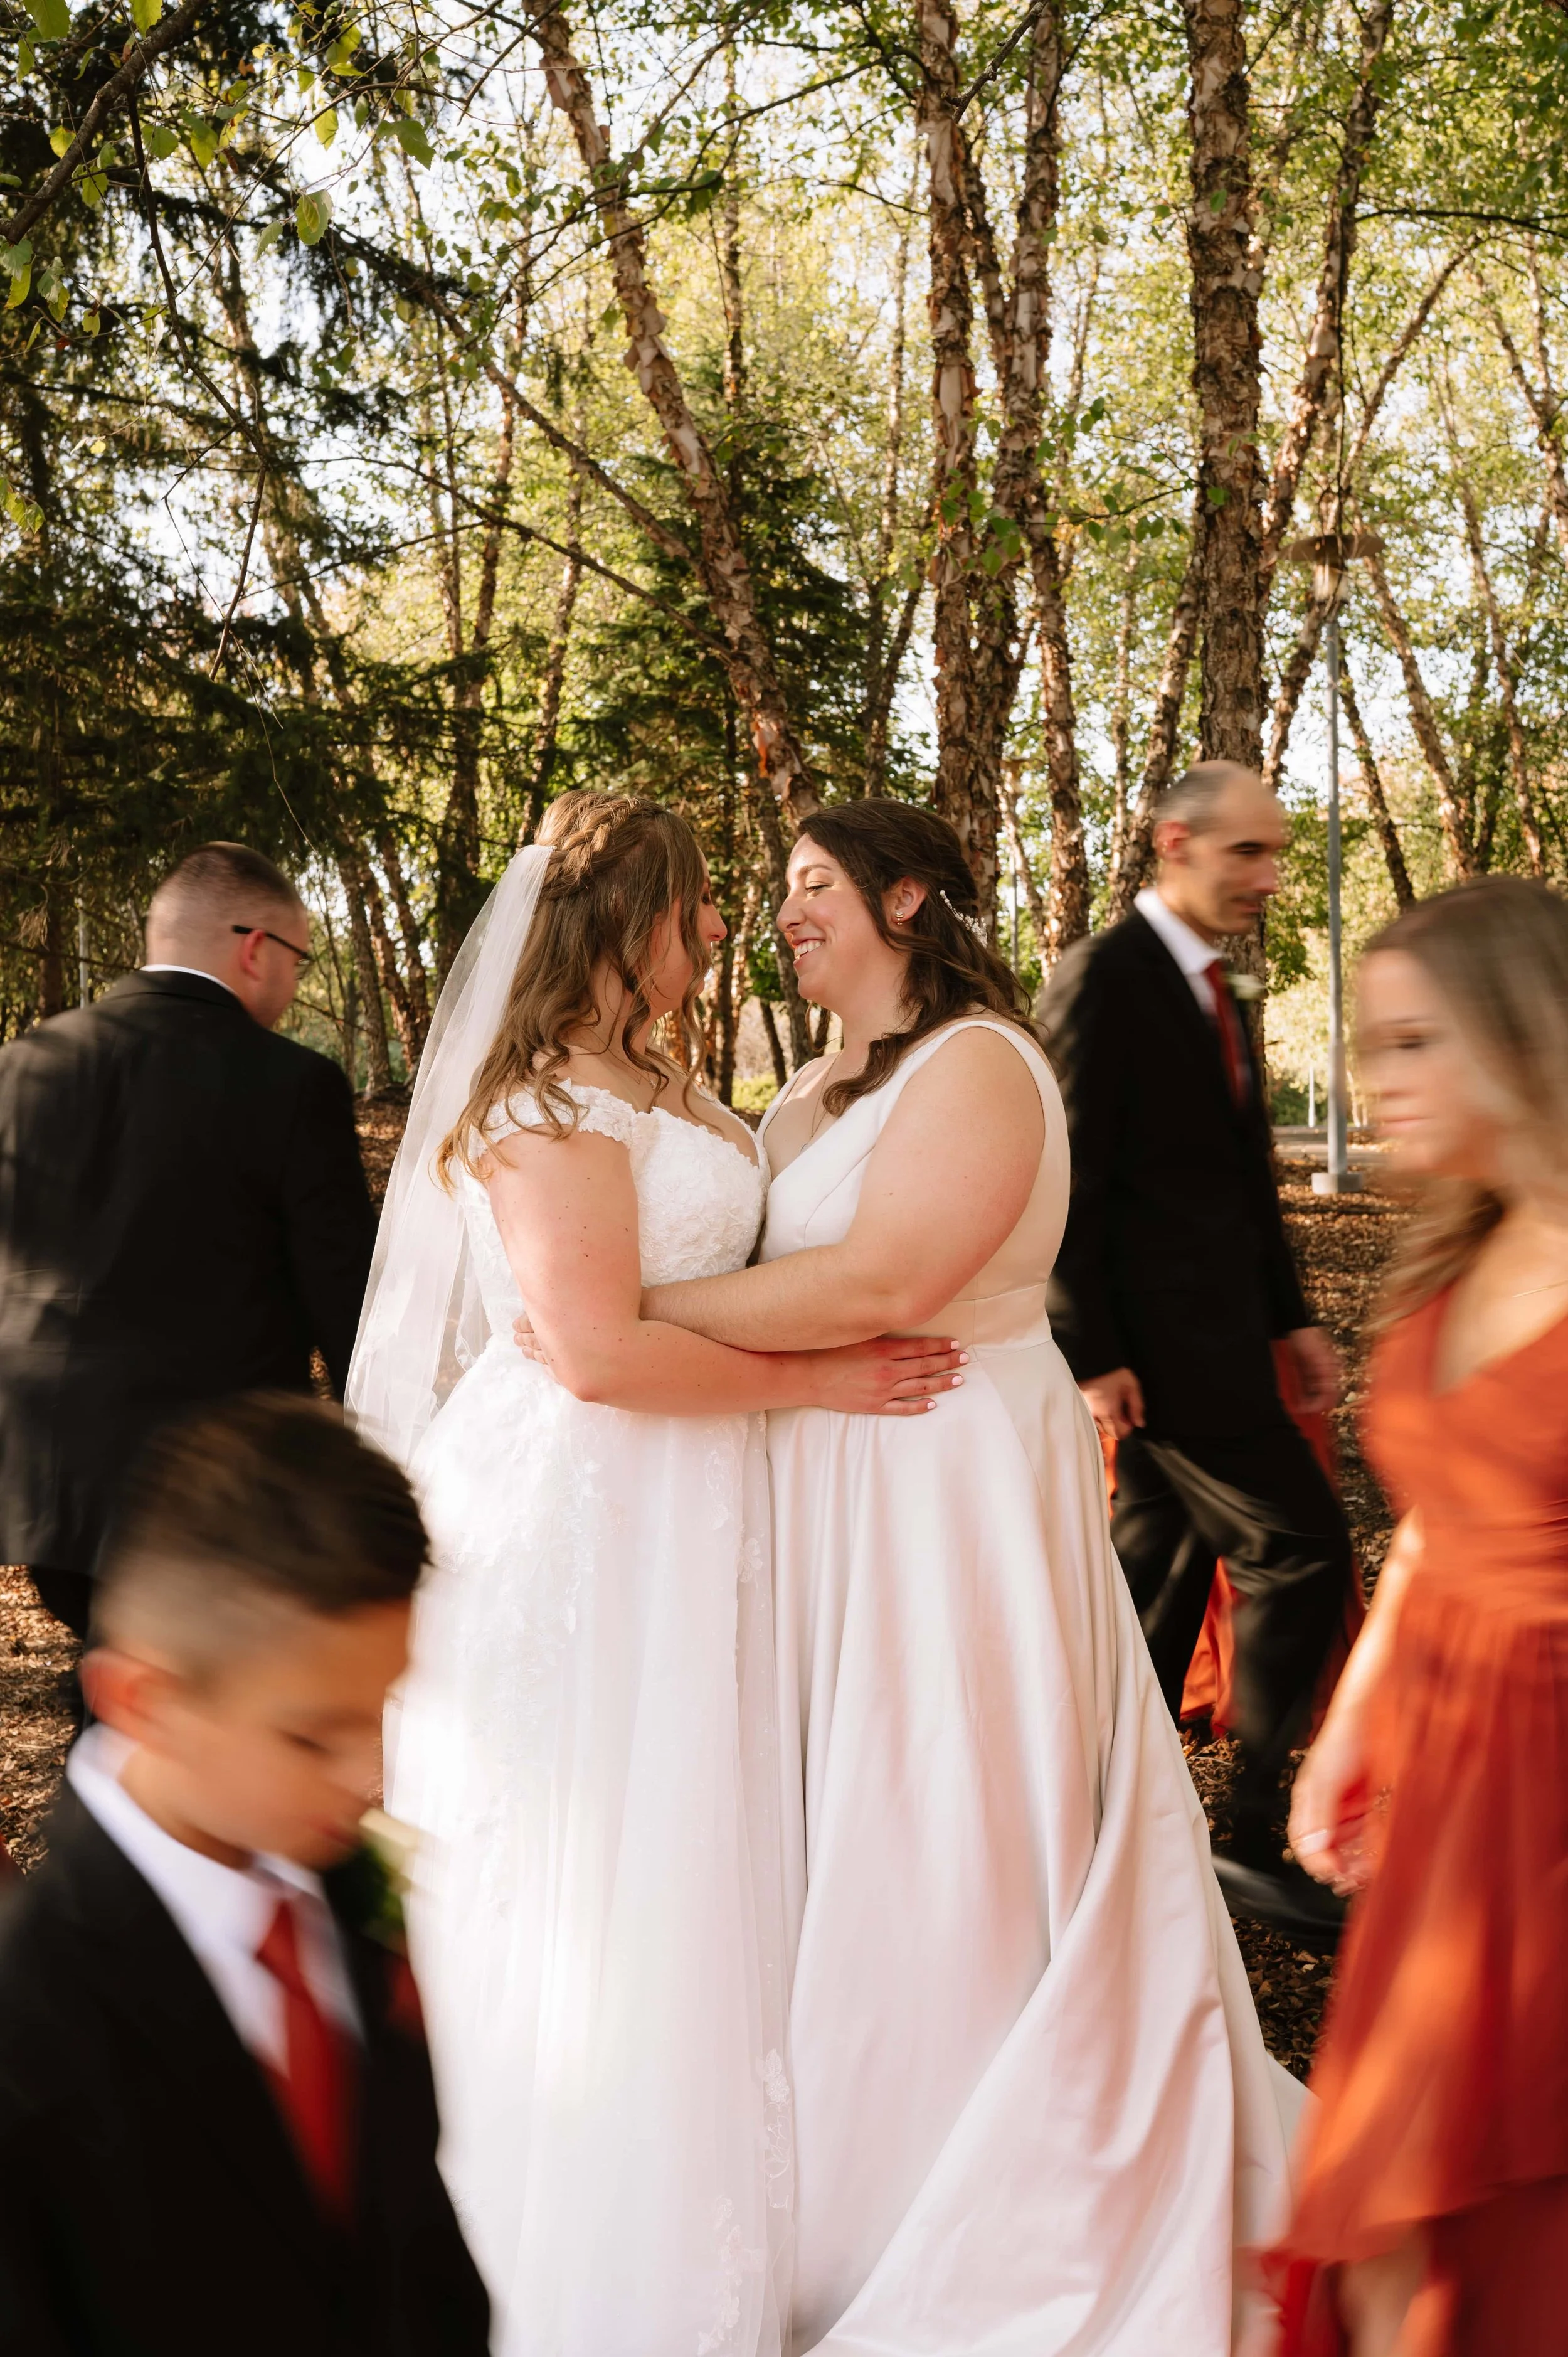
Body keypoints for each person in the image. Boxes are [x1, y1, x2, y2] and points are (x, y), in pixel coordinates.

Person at [561, 799, 1298, 2356]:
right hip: (822, 1480)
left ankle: (980, 2159)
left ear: (906, 896)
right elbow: (794, 1288)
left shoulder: (980, 1062)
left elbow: (888, 1279)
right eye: (774, 893)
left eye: (814, 886)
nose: (782, 914)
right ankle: (838, 2170)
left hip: (950, 1480)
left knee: (944, 1799)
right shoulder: (793, 1099)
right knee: (839, 1812)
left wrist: (633, 1309)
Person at [347, 790, 959, 2357]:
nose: (717, 930)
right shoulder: (542, 1105)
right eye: (695, 906)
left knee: (707, 1843)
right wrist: (818, 1384)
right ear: (623, 919)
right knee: (598, 1866)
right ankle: (576, 2261)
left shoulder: (673, 1085)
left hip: (697, 1500)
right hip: (589, 1510)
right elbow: (602, 1356)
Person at [0, 1391, 491, 2357]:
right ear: (142, 1701)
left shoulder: (340, 1887)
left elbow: (415, 2260)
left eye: (381, 1710)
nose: (373, 1773)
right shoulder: (34, 2024)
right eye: (314, 1734)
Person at [1271, 878, 1568, 2356]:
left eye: (1410, 1044)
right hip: (1450, 1770)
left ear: (1523, 1041)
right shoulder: (1453, 1247)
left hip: (1552, 1789)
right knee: (1383, 2206)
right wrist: (1349, 1729)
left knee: (1489, 2214)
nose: (1373, 1078)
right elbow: (1437, 1525)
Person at [1037, 760, 1353, 1937]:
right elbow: (1068, 1176)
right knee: (1300, 1547)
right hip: (1162, 1360)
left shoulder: (1217, 985)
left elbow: (1239, 1180)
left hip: (1226, 1339)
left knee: (1152, 1587)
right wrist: (1090, 1348)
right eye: (1249, 854)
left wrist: (1295, 1315)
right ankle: (1249, 1834)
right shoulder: (1104, 981)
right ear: (1178, 842)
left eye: (1273, 853)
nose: (1268, 876)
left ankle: (1097, 1819)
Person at [0, 841, 376, 1646]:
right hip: (211, 1487)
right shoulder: (293, 1085)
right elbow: (347, 1301)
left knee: (126, 1699)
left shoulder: (23, 1066)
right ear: (255, 949)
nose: (294, 983)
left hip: (45, 1479)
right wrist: (373, 1462)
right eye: (300, 961)